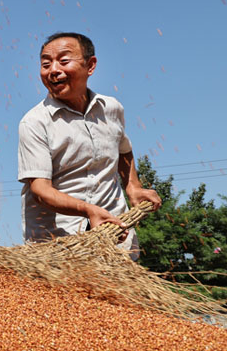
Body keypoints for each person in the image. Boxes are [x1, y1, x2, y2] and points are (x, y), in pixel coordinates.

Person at [18, 32, 161, 257]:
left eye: (64, 61)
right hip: (57, 247)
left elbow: (124, 149)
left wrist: (133, 186)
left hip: (116, 237)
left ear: (90, 65)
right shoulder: (35, 122)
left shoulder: (111, 109)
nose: (53, 70)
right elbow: (40, 190)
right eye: (46, 64)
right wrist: (88, 210)